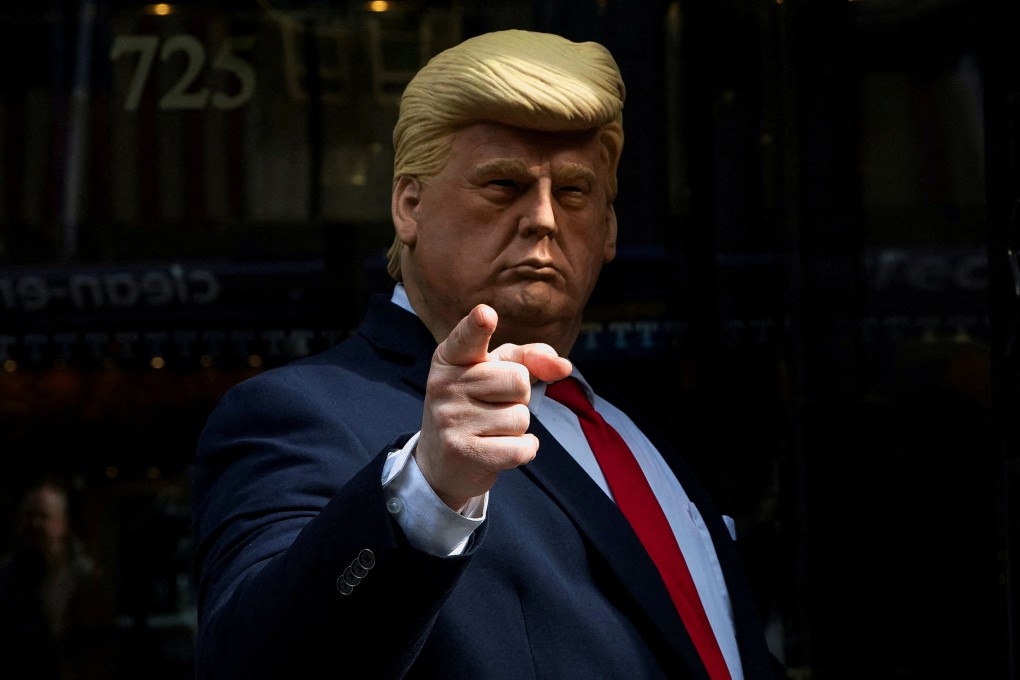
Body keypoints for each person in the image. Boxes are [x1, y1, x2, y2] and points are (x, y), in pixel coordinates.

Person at [192, 29, 782, 679]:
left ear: (609, 230)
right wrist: (425, 497)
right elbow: (253, 665)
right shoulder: (302, 413)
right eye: (503, 185)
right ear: (408, 205)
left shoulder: (634, 436)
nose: (544, 219)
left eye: (576, 192)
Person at [0, 479, 109, 680]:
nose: (35, 524)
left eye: (43, 516)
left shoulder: (84, 575)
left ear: (62, 522)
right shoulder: (6, 573)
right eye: (28, 516)